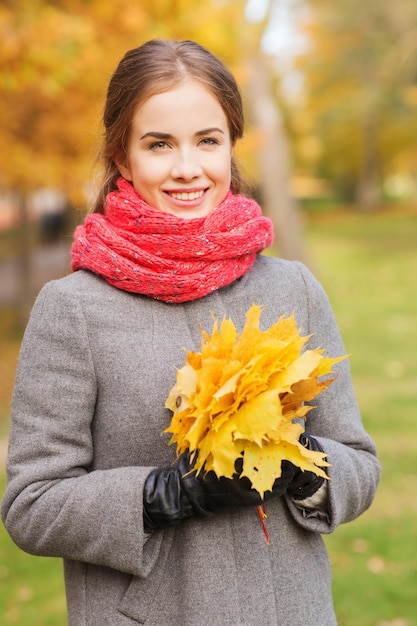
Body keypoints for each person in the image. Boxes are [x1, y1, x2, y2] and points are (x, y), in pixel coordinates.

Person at [1, 39, 380, 626]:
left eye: (208, 140)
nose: (187, 168)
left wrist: (306, 467)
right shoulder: (72, 308)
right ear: (123, 158)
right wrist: (165, 494)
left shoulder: (293, 289)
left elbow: (360, 462)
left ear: (230, 147)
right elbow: (31, 504)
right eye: (159, 145)